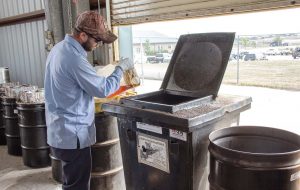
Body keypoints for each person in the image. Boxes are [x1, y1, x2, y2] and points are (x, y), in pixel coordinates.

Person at [44, 11, 133, 190]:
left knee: (71, 180)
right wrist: (119, 69)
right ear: (82, 35)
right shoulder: (74, 58)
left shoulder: (59, 49)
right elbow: (103, 89)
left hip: (59, 130)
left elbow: (72, 80)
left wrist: (94, 72)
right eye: (97, 40)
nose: (98, 45)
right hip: (72, 134)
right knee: (77, 186)